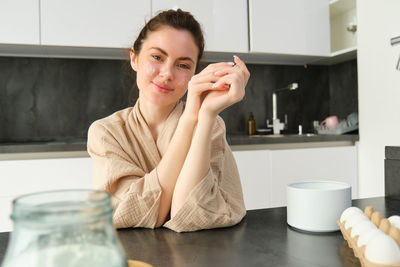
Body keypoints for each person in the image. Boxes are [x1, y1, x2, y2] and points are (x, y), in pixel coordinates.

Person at [87, 9, 250, 232]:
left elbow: (190, 215)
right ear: (134, 58)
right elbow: (125, 212)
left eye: (183, 65)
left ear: (194, 74)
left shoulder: (209, 125)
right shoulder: (107, 132)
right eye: (157, 57)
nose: (167, 74)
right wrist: (190, 121)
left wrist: (203, 115)